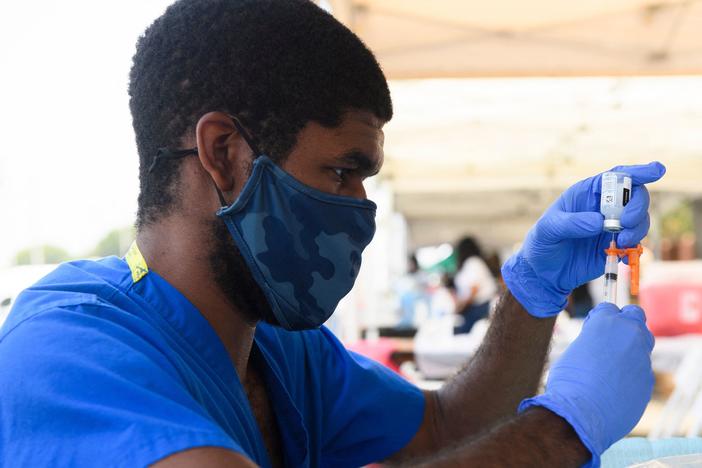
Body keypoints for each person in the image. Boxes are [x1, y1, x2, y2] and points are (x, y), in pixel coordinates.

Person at [0, 1, 665, 467]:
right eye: (342, 171)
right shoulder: (65, 352)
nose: (361, 211)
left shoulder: (286, 354)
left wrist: (532, 289)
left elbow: (447, 429)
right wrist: (561, 432)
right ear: (226, 153)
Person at [452, 237, 498, 334]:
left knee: (460, 332)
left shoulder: (473, 262)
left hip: (481, 306)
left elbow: (474, 289)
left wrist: (461, 306)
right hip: (477, 306)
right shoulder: (473, 263)